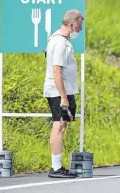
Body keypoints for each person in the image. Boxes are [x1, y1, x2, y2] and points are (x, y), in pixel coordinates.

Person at [43, 9, 84, 178]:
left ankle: (58, 165)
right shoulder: (59, 43)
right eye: (79, 26)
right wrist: (64, 97)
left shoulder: (60, 40)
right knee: (58, 125)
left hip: (64, 90)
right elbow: (56, 71)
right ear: (71, 24)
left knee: (63, 125)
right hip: (59, 91)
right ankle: (56, 167)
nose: (80, 30)